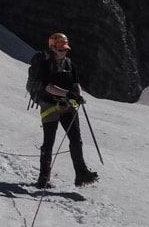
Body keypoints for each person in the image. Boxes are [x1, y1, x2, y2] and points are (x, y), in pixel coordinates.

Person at [28, 32, 98, 189]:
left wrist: (77, 95)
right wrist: (69, 94)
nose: (64, 52)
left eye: (65, 49)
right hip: (49, 105)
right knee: (49, 142)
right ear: (52, 48)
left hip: (66, 105)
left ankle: (81, 174)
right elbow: (48, 87)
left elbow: (75, 82)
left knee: (76, 139)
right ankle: (43, 178)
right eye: (61, 49)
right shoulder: (45, 64)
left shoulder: (69, 63)